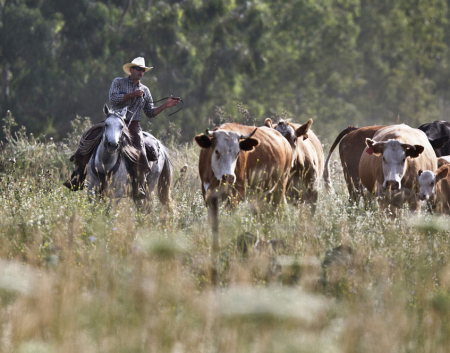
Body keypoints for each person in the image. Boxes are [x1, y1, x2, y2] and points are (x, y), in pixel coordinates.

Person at [64, 57, 180, 198]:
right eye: (138, 69)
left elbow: (150, 112)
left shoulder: (145, 90)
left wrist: (165, 106)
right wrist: (132, 95)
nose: (141, 72)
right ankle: (78, 175)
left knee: (140, 151)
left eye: (143, 70)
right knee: (89, 138)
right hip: (114, 120)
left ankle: (139, 185)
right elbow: (113, 99)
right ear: (131, 70)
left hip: (133, 126)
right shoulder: (118, 82)